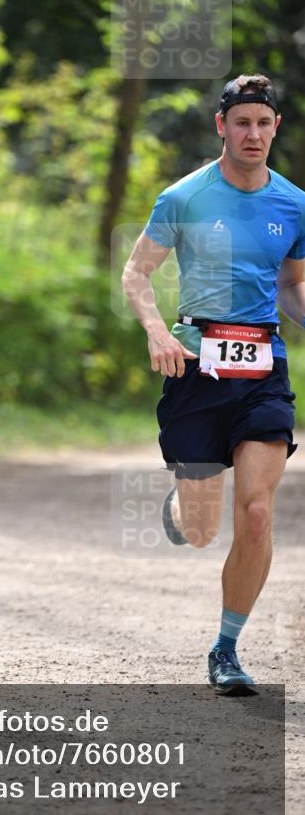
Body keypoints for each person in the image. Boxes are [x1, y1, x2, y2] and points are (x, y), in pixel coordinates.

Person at [122, 74, 305, 694]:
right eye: (241, 123)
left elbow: (291, 287)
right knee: (203, 530)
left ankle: (226, 648)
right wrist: (156, 331)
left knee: (255, 512)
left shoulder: (295, 203)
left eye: (263, 123)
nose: (253, 134)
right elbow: (137, 273)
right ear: (221, 127)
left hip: (262, 371)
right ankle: (180, 512)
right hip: (196, 366)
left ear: (276, 127)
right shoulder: (183, 198)